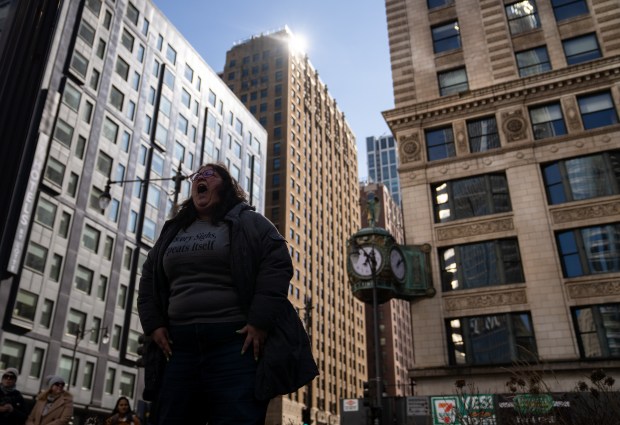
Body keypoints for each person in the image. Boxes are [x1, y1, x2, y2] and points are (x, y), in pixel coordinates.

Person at [138, 163, 318, 425]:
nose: (200, 177)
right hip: (179, 349)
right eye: (197, 175)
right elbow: (149, 276)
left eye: (209, 174)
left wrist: (259, 321)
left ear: (226, 186)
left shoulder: (247, 222)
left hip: (233, 346)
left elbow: (277, 262)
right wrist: (153, 325)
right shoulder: (174, 229)